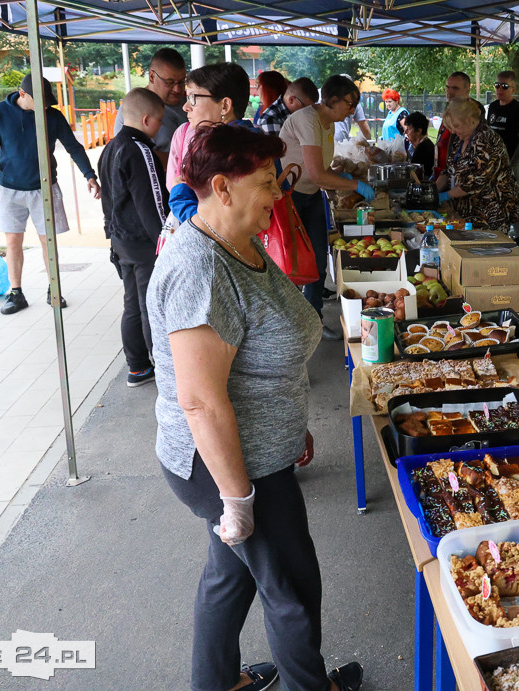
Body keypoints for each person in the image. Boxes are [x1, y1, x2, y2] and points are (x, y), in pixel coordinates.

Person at [147, 124, 365, 691]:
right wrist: (238, 496)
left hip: (257, 451)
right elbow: (199, 399)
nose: (276, 194)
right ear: (222, 186)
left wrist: (292, 427)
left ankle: (215, 683)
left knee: (231, 577)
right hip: (229, 465)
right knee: (291, 589)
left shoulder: (237, 244)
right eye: (266, 183)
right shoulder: (200, 267)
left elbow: (257, 353)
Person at [0, 73, 101, 315]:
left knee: (49, 242)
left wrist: (90, 175)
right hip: (10, 188)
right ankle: (16, 293)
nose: (45, 106)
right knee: (13, 242)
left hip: (45, 187)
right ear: (23, 94)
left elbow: (73, 147)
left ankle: (53, 288)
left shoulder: (53, 116)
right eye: (40, 101)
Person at [279, 74, 376, 339]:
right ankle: (288, 326)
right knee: (291, 264)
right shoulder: (307, 120)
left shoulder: (330, 122)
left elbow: (322, 170)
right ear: (332, 100)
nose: (352, 110)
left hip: (310, 196)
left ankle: (314, 321)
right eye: (349, 103)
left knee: (319, 258)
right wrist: (355, 186)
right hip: (290, 197)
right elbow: (317, 175)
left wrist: (343, 176)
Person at [98, 88, 169, 388]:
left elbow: (106, 199)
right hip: (144, 245)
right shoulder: (140, 150)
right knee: (150, 304)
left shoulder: (110, 148)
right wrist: (167, 241)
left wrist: (110, 234)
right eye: (159, 121)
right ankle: (164, 367)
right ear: (146, 119)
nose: (160, 128)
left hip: (121, 241)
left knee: (132, 304)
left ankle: (138, 367)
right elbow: (151, 202)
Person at [435, 98, 519, 233]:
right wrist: (433, 192)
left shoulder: (486, 141)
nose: (453, 131)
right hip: (466, 213)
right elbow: (448, 171)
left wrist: (445, 196)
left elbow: (472, 184)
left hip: (490, 213)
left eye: (456, 125)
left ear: (470, 120)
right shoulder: (462, 139)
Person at [167, 62, 256, 191]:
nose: (185, 107)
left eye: (193, 98)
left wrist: (179, 192)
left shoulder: (220, 152)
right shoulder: (258, 140)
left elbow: (208, 209)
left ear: (225, 106)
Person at [113, 48, 187, 164]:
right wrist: (183, 160)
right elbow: (130, 154)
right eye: (169, 82)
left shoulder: (189, 102)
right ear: (152, 76)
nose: (177, 89)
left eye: (182, 82)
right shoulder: (135, 106)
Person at [432, 71, 481, 181]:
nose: (449, 92)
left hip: (459, 178)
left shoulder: (473, 111)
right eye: (448, 87)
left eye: (455, 88)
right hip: (443, 173)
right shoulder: (448, 107)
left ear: (467, 89)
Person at [486, 70, 519, 184]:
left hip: (512, 164)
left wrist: (510, 164)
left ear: (513, 89)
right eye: (497, 85)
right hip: (493, 162)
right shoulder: (493, 106)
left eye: (505, 86)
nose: (499, 89)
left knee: (513, 199)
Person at [333, 75, 371, 142]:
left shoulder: (323, 94)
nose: (352, 112)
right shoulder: (353, 99)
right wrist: (369, 140)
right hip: (340, 141)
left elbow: (364, 126)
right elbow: (364, 128)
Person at [402, 111, 434, 178]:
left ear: (419, 131)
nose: (405, 132)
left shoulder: (423, 148)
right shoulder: (419, 145)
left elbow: (412, 174)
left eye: (409, 129)